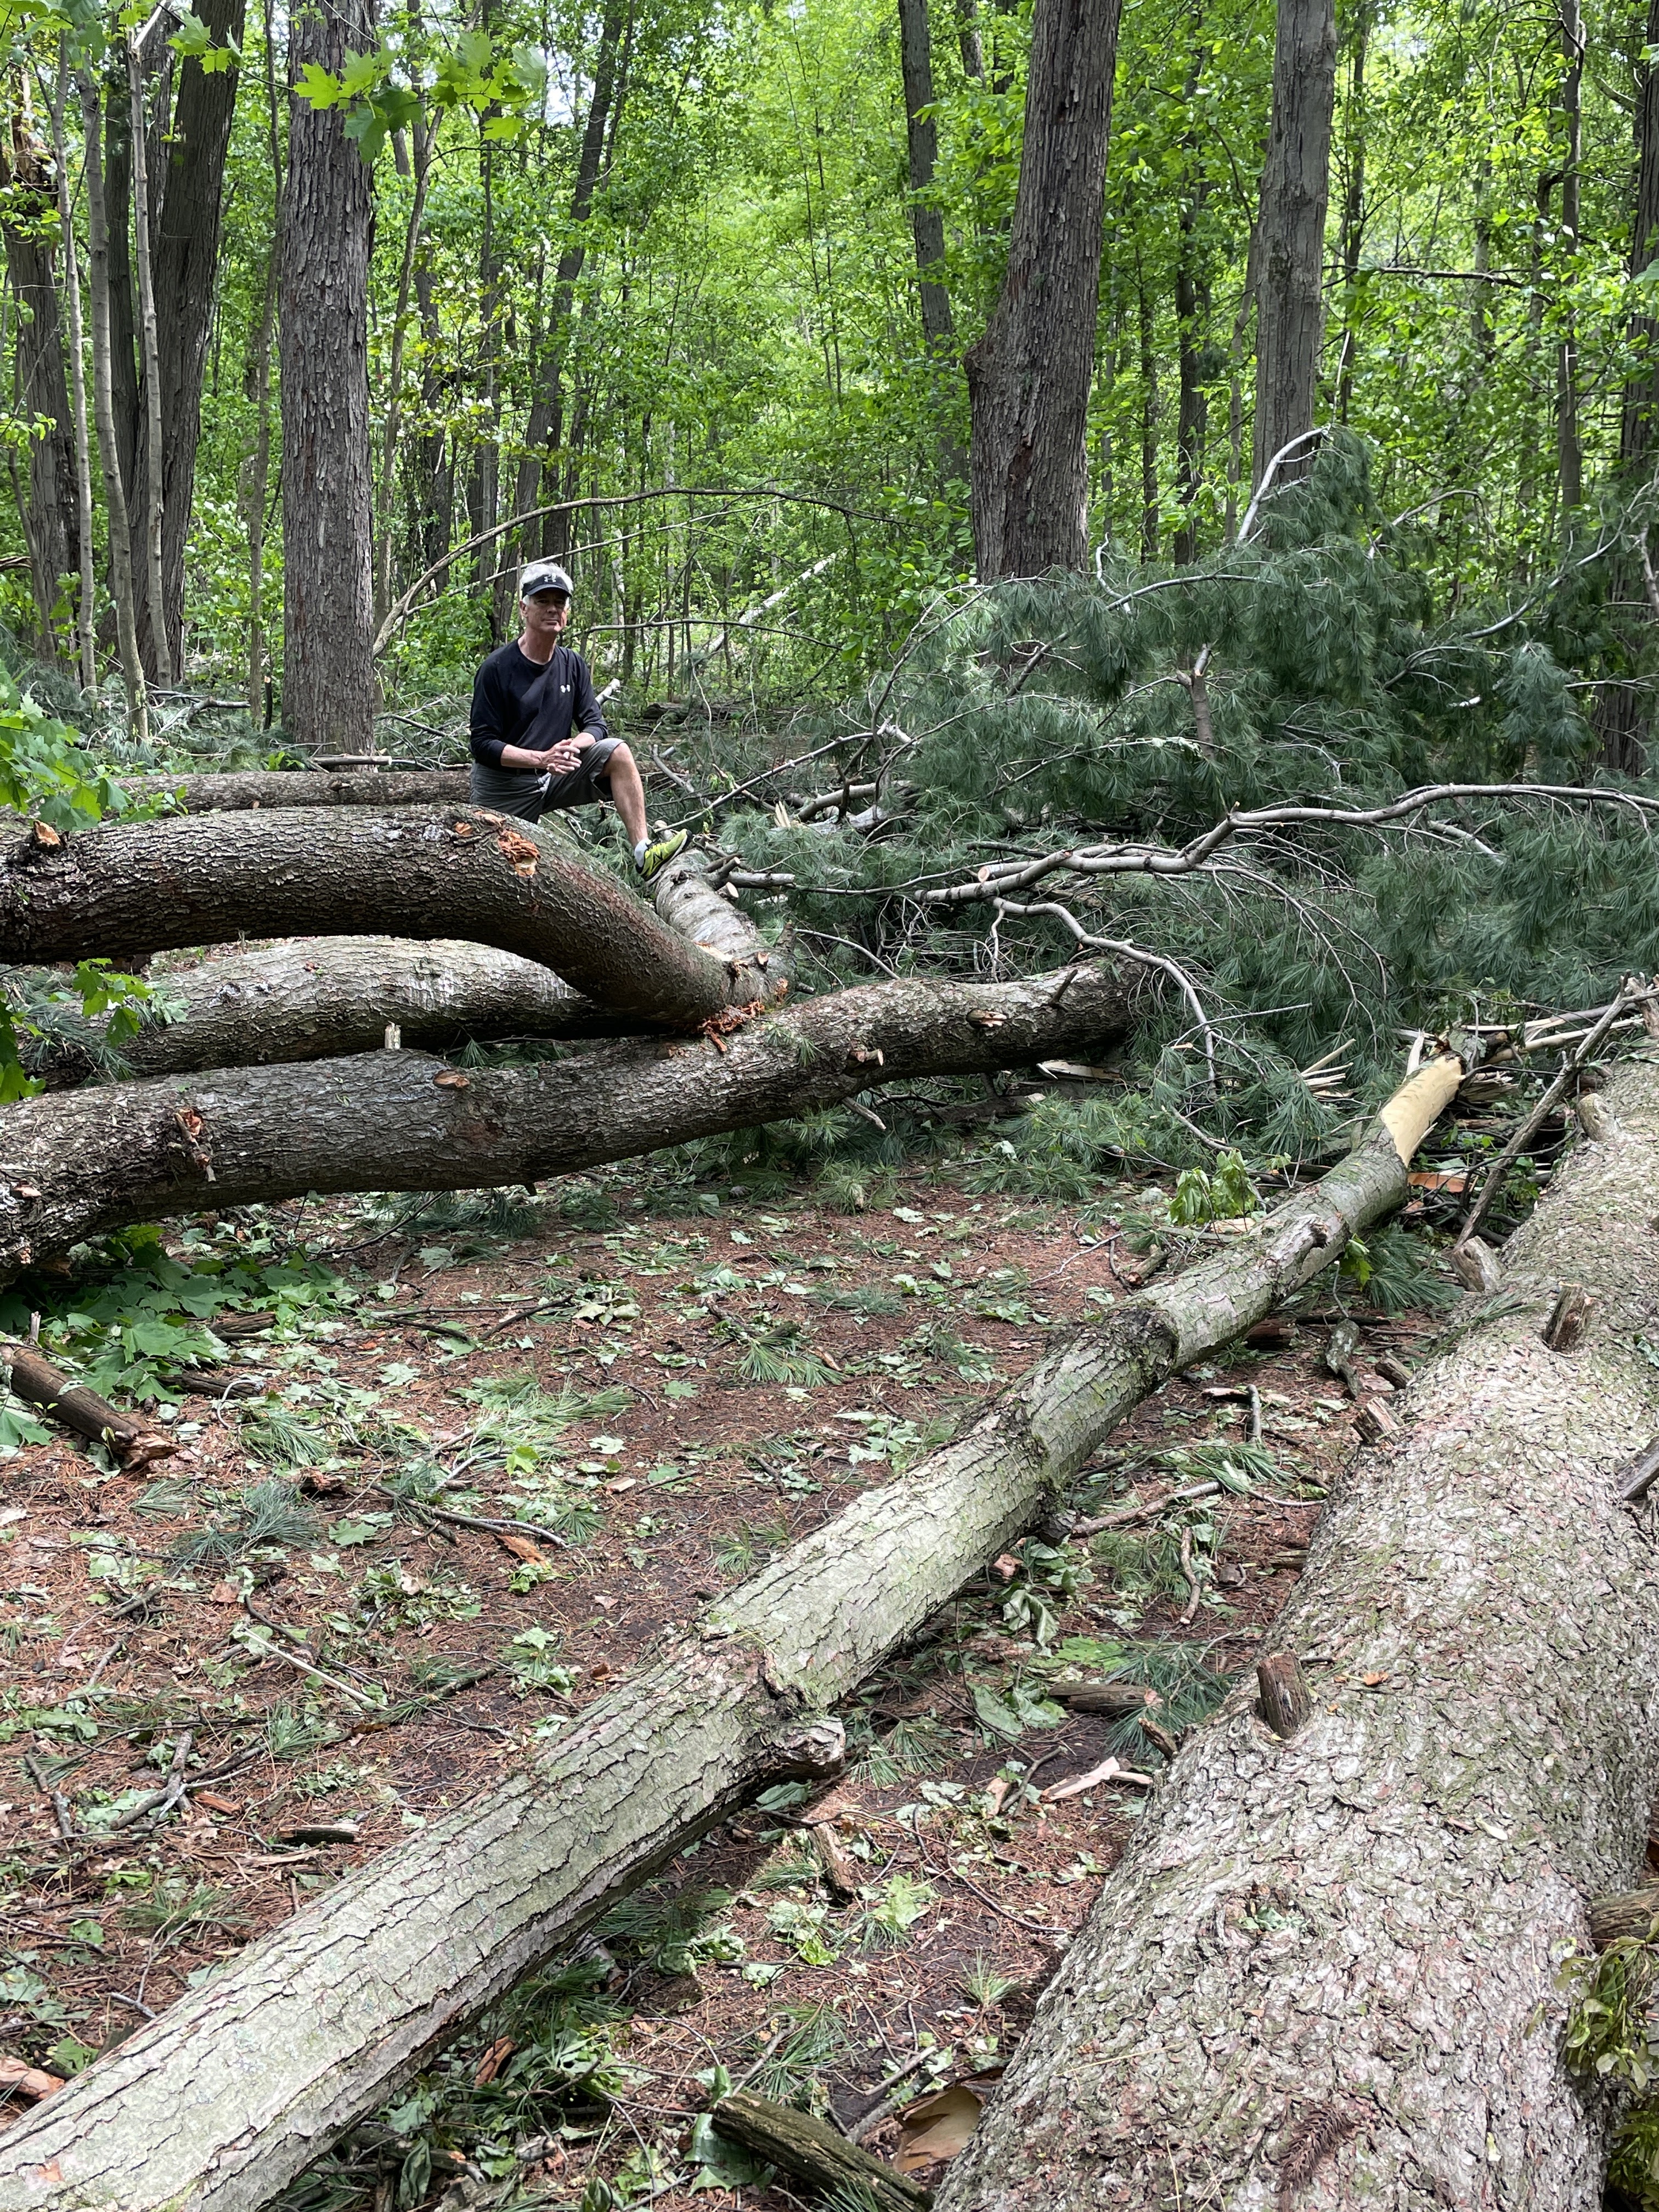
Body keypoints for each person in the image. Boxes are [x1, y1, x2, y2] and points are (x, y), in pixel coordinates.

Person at [469, 559, 687, 881]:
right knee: (499, 880)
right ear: (524, 609)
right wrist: (542, 759)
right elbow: (482, 743)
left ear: (567, 614)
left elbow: (595, 725)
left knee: (618, 751)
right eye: (542, 601)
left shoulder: (572, 663)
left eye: (560, 602)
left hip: (553, 776)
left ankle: (644, 852)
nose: (552, 609)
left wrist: (571, 747)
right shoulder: (497, 668)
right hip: (503, 787)